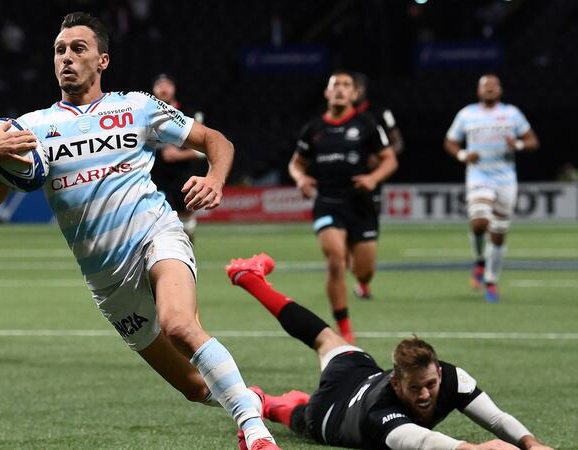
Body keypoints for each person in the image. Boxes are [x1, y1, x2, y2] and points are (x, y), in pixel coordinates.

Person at [0, 12, 279, 450]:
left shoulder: (136, 107)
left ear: (103, 60)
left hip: (156, 234)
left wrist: (215, 178)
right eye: (59, 50)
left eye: (78, 49)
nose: (66, 58)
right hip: (107, 279)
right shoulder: (30, 130)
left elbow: (217, 141)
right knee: (194, 387)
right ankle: (256, 402)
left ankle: (257, 435)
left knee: (179, 324)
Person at [225, 253, 554, 450]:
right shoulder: (381, 415)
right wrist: (472, 448)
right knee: (302, 415)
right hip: (332, 411)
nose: (425, 394)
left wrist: (530, 443)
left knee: (326, 338)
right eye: (415, 388)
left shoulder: (452, 377)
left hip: (360, 373)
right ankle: (270, 403)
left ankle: (251, 279)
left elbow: (496, 418)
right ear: (396, 384)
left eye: (431, 384)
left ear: (439, 373)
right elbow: (421, 442)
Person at [288, 70, 397, 343]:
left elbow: (389, 159)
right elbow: (296, 163)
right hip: (327, 203)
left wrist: (373, 178)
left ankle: (362, 281)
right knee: (336, 261)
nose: (340, 89)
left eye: (346, 85)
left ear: (354, 93)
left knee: (364, 271)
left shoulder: (367, 125)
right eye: (335, 85)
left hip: (360, 205)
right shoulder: (313, 129)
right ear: (327, 92)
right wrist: (301, 179)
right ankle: (344, 327)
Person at [444, 74, 539, 303]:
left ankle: (491, 280)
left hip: (505, 179)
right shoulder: (467, 114)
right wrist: (463, 155)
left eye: (494, 85)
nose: (489, 89)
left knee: (498, 234)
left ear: (500, 90)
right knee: (479, 223)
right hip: (479, 175)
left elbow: (533, 141)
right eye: (485, 85)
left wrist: (517, 144)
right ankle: (479, 260)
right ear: (478, 91)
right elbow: (450, 141)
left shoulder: (512, 113)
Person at [351, 72, 404, 299]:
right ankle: (354, 274)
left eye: (356, 87)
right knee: (343, 229)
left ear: (363, 89)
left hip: (372, 179)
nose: (353, 92)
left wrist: (382, 159)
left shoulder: (380, 114)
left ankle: (363, 278)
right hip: (343, 178)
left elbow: (398, 142)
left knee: (367, 228)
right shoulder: (334, 115)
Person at [149, 73, 206, 242]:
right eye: (159, 85)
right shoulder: (146, 114)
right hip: (153, 177)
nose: (163, 89)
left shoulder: (189, 114)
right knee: (156, 222)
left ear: (174, 88)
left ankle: (188, 252)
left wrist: (179, 155)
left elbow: (204, 149)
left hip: (182, 177)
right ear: (153, 89)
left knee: (186, 221)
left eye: (167, 85)